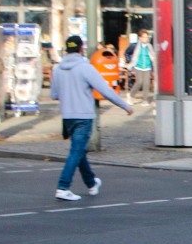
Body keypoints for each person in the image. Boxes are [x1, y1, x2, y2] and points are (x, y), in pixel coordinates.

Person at [51, 35, 132, 201]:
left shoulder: (57, 69)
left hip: (67, 116)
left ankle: (91, 182)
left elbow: (54, 94)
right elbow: (106, 90)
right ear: (81, 49)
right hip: (84, 115)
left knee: (78, 150)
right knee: (76, 151)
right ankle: (63, 186)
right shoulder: (85, 67)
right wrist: (125, 105)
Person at [123, 29, 155, 103]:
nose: (145, 39)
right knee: (139, 82)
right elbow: (127, 53)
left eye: (147, 37)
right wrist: (130, 63)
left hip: (147, 66)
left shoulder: (149, 46)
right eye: (144, 37)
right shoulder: (135, 46)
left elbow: (152, 56)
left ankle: (145, 100)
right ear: (140, 38)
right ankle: (130, 95)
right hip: (138, 66)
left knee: (146, 83)